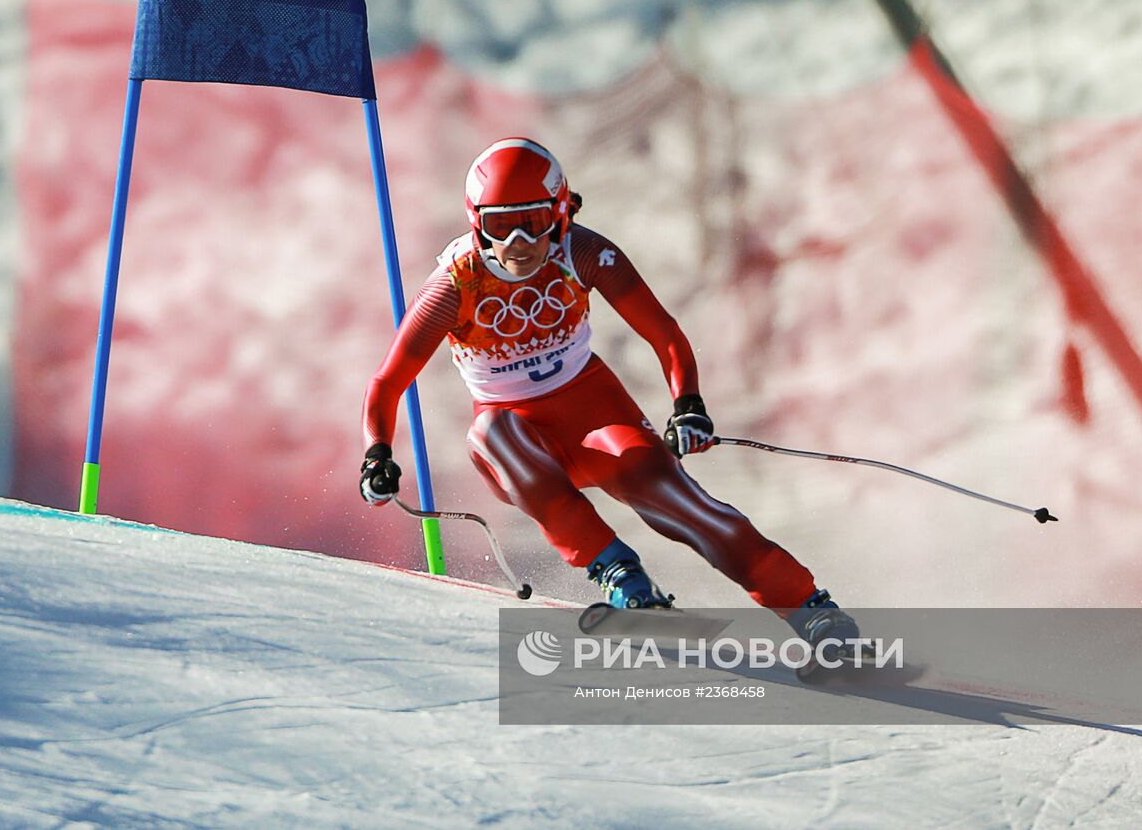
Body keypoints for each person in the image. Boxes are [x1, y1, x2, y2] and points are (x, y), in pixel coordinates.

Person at [360, 137, 855, 647]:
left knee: (673, 497)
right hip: (521, 441)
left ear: (558, 212)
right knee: (490, 432)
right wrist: (377, 455)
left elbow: (664, 334)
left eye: (530, 222)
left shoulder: (584, 251)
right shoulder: (455, 284)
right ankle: (623, 579)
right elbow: (387, 383)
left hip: (596, 416)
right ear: (475, 224)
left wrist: (688, 406)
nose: (516, 244)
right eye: (497, 226)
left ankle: (815, 613)